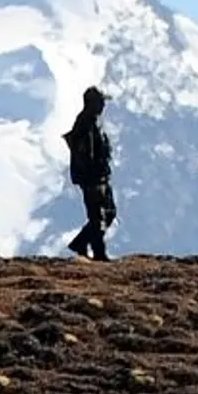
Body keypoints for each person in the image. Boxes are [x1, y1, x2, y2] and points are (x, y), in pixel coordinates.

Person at [63, 86, 115, 262]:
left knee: (108, 213)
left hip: (99, 176)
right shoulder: (85, 124)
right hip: (93, 178)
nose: (103, 106)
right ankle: (98, 253)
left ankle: (81, 243)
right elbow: (86, 155)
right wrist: (93, 175)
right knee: (98, 215)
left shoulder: (93, 122)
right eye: (101, 102)